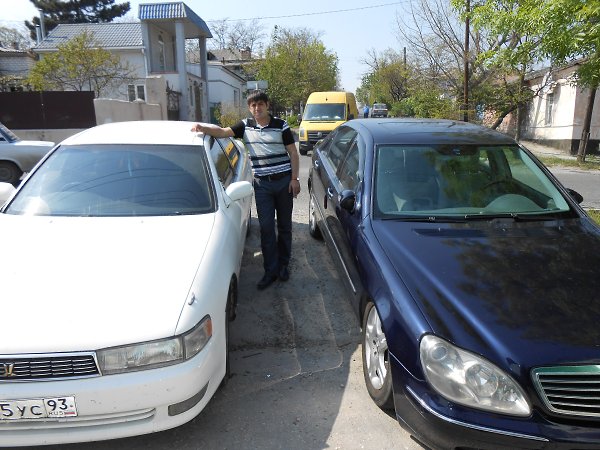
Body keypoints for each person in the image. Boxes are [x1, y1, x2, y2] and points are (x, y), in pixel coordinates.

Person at [191, 91, 301, 290]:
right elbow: (222, 132)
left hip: (284, 182)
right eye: (253, 105)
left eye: (260, 104)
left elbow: (293, 152)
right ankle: (270, 270)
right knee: (266, 228)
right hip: (262, 185)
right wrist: (203, 128)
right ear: (250, 108)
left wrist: (294, 179)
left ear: (267, 105)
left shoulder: (281, 125)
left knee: (285, 226)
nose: (257, 108)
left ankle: (283, 265)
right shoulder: (245, 125)